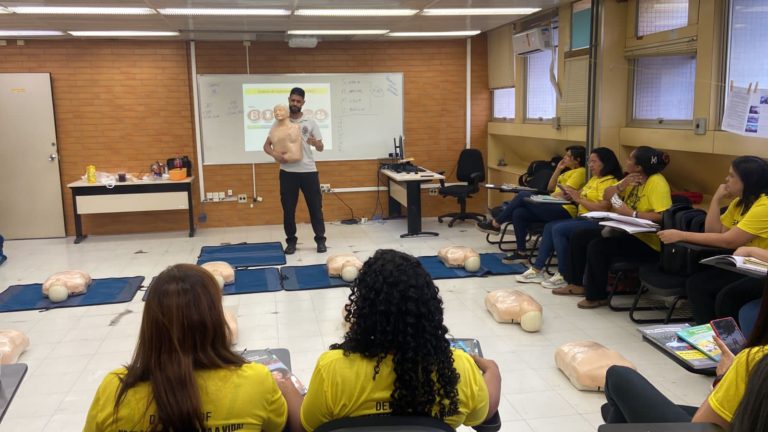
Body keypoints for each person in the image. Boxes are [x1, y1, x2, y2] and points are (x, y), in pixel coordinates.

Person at [300, 249, 501, 431]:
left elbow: (308, 425)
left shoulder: (332, 369)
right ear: (428, 309)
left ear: (364, 311)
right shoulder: (457, 368)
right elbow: (484, 414)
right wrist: (493, 372)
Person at [84, 264, 300, 432]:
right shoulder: (255, 380)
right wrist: (286, 386)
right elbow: (281, 426)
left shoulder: (115, 389)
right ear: (214, 320)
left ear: (151, 324)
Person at [600, 282, 768, 429]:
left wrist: (724, 378)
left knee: (618, 376)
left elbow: (700, 427)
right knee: (619, 410)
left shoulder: (755, 360)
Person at [555, 146, 673, 308]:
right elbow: (607, 195)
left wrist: (632, 214)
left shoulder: (657, 183)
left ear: (639, 166)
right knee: (580, 236)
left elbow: (663, 216)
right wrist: (622, 184)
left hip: (648, 242)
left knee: (598, 247)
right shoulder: (632, 178)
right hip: (626, 231)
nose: (626, 161)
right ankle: (576, 284)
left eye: (630, 159)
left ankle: (597, 296)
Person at [658, 156, 768, 323]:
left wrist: (681, 234)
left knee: (727, 296)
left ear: (748, 181)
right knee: (697, 284)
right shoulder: (740, 202)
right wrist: (716, 201)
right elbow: (714, 231)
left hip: (761, 270)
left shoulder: (764, 206)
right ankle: (708, 336)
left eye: (732, 176)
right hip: (745, 266)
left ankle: (729, 343)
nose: (726, 180)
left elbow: (728, 241)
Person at [515, 147, 623, 289]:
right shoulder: (594, 179)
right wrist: (572, 194)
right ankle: (537, 269)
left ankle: (563, 274)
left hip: (597, 221)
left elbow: (603, 208)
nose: (590, 165)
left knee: (559, 229)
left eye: (594, 162)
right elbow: (582, 195)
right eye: (589, 162)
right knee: (549, 226)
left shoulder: (611, 182)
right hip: (582, 217)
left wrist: (578, 199)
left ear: (606, 163)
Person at [476, 146, 587, 263]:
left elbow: (565, 194)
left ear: (577, 160)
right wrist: (558, 169)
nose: (565, 158)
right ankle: (521, 252)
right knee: (519, 213)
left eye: (568, 156)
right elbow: (550, 188)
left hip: (565, 209)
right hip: (553, 204)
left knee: (523, 195)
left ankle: (496, 223)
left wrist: (549, 197)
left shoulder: (581, 172)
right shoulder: (568, 172)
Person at [264, 87, 327, 255]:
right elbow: (266, 146)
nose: (295, 104)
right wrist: (275, 155)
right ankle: (291, 242)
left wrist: (316, 143)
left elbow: (321, 147)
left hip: (309, 171)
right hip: (287, 173)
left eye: (298, 101)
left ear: (303, 103)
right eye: (292, 100)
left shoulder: (310, 122)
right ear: (288, 100)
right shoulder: (279, 122)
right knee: (288, 209)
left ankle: (320, 240)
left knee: (315, 207)